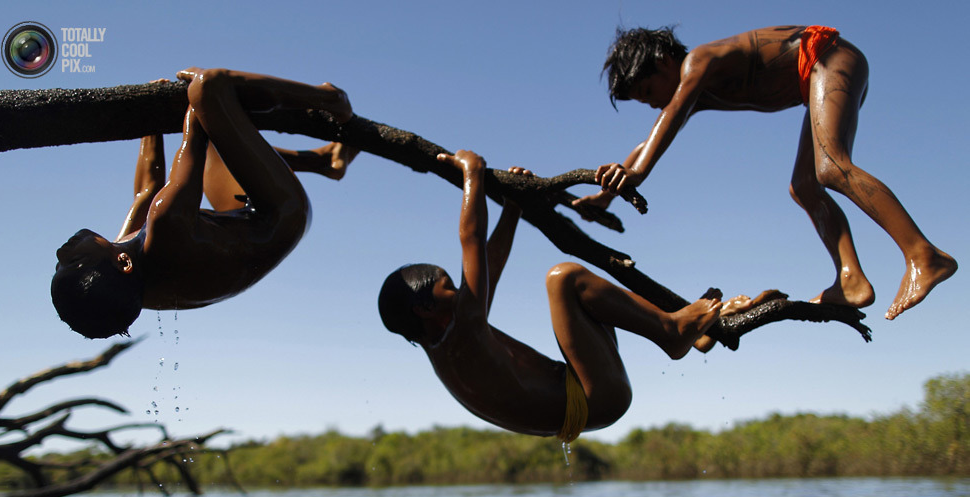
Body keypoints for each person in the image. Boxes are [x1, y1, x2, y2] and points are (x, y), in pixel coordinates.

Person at [574, 25, 956, 320]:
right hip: (815, 81)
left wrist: (637, 173)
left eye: (647, 90)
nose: (653, 102)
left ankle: (924, 255)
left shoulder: (699, 62)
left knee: (832, 168)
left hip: (828, 58)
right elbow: (653, 135)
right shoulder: (697, 92)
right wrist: (605, 195)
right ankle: (850, 279)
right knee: (805, 185)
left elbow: (669, 119)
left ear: (662, 61)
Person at [379, 148, 725, 442]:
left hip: (585, 398)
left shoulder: (454, 342)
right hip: (591, 398)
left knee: (582, 297)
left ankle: (695, 336)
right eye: (450, 287)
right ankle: (671, 332)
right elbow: (472, 241)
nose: (462, 289)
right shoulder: (463, 330)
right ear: (424, 307)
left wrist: (513, 208)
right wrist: (473, 173)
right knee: (564, 278)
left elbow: (490, 260)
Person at [52, 68, 357, 338]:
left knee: (219, 126)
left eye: (59, 264)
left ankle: (324, 161)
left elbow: (147, 190)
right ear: (123, 263)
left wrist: (149, 119)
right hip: (280, 214)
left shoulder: (128, 283)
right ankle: (331, 100)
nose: (62, 251)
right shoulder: (166, 227)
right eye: (75, 261)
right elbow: (194, 134)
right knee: (209, 89)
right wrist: (188, 98)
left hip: (240, 219)